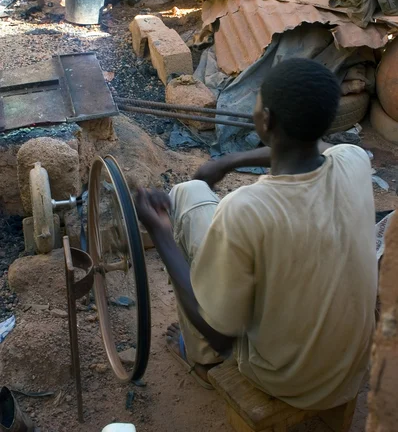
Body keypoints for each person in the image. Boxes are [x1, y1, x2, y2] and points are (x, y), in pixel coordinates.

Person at [135, 58, 378, 410]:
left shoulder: (247, 207)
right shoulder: (355, 160)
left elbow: (222, 336)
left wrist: (161, 236)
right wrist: (229, 161)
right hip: (350, 365)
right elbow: (312, 148)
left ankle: (202, 363)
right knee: (198, 199)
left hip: (288, 379)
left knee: (187, 195)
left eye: (258, 102)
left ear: (267, 121)